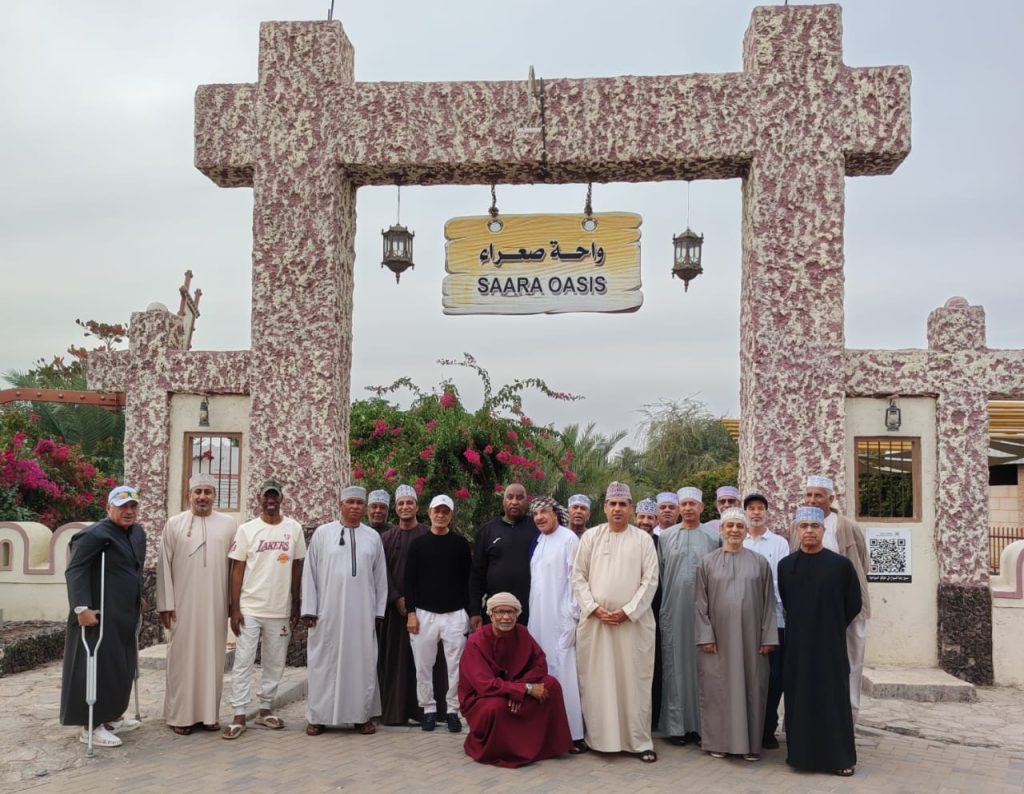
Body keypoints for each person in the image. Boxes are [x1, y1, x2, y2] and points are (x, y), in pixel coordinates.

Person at [572, 482, 659, 762]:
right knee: (597, 681)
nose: (618, 509)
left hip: (633, 625)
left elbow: (650, 580)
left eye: (623, 504)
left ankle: (639, 742)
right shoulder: (591, 537)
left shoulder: (643, 540)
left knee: (634, 682)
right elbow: (578, 576)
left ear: (631, 509)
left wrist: (628, 611)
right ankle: (598, 739)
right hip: (596, 624)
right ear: (605, 508)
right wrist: (594, 608)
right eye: (613, 504)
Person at [60, 485, 146, 748]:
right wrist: (81, 608)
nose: (128, 511)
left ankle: (112, 715)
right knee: (97, 667)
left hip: (124, 612)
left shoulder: (137, 533)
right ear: (108, 507)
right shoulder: (93, 535)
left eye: (132, 506)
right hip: (99, 613)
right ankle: (91, 725)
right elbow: (75, 571)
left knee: (121, 666)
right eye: (122, 507)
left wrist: (138, 595)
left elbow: (134, 568)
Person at [778, 506, 862, 777]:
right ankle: (801, 756)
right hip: (798, 646)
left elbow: (853, 603)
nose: (809, 531)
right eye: (804, 526)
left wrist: (831, 625)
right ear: (797, 530)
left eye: (815, 526)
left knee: (833, 699)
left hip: (830, 645)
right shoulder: (786, 566)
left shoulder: (841, 566)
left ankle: (839, 758)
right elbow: (787, 602)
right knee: (800, 696)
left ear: (823, 530)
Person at [301, 485, 388, 736]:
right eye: (350, 502)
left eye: (359, 503)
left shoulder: (372, 537)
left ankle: (360, 716)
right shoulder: (322, 534)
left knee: (361, 664)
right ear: (340, 505)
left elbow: (380, 578)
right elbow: (310, 573)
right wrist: (309, 609)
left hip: (361, 615)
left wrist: (378, 612)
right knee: (322, 663)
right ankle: (318, 717)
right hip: (327, 614)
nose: (355, 507)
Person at [222, 478, 306, 739]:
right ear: (259, 499)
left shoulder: (294, 528)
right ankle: (239, 713)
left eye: (275, 496)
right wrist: (234, 608)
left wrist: (295, 603)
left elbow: (296, 568)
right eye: (266, 496)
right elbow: (237, 570)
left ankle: (265, 709)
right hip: (250, 608)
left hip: (280, 609)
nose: (271, 500)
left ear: (281, 499)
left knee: (275, 661)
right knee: (243, 661)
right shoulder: (247, 530)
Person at [156, 473, 237, 735]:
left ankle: (208, 715)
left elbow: (235, 568)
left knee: (212, 659)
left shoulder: (229, 525)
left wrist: (233, 606)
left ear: (215, 495)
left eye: (208, 492)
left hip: (215, 605)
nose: (203, 497)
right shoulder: (174, 524)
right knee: (181, 659)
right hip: (181, 605)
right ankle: (180, 717)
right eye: (198, 492)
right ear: (189, 495)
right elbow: (163, 567)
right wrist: (166, 604)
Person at [695, 508, 777, 761]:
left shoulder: (759, 563)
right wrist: (706, 635)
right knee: (717, 688)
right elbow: (699, 603)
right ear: (721, 529)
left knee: (752, 687)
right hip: (717, 640)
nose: (734, 530)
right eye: (729, 525)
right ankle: (718, 742)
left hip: (751, 640)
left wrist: (768, 637)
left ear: (745, 530)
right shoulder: (707, 562)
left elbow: (769, 603)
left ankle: (751, 745)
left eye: (739, 526)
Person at [459, 593, 573, 767]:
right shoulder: (476, 642)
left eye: (510, 612)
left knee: (551, 685)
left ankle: (546, 746)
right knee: (495, 707)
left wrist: (519, 689)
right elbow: (484, 685)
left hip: (512, 688)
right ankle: (500, 750)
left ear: (517, 614)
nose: (506, 617)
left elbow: (540, 664)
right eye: (500, 612)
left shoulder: (522, 632)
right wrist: (525, 689)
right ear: (491, 614)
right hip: (483, 696)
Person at [795, 474, 870, 723]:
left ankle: (848, 719)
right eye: (808, 495)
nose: (812, 500)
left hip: (847, 611)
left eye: (818, 495)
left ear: (831, 498)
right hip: (810, 612)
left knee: (850, 663)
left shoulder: (846, 526)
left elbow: (862, 564)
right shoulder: (798, 526)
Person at [378, 484, 448, 725]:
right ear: (396, 509)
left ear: (417, 507)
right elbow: (382, 574)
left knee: (427, 661)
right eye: (401, 503)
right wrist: (397, 598)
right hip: (394, 610)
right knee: (396, 661)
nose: (405, 507)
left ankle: (427, 712)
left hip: (426, 610)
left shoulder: (430, 534)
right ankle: (395, 713)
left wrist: (416, 604)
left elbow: (438, 572)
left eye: (409, 503)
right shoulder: (386, 539)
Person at [405, 494, 473, 733]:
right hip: (424, 614)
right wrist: (411, 613)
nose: (441, 515)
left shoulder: (460, 544)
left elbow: (469, 580)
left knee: (457, 666)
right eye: (437, 511)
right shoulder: (418, 545)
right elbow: (409, 581)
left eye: (445, 511)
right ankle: (428, 710)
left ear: (451, 515)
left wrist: (470, 612)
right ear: (430, 513)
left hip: (455, 614)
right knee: (423, 665)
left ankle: (453, 711)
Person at [658, 485, 718, 746]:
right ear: (679, 508)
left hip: (705, 612)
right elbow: (661, 575)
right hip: (673, 610)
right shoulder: (666, 537)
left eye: (693, 504)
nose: (688, 508)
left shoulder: (713, 537)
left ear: (702, 507)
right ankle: (677, 728)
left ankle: (704, 728)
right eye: (684, 504)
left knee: (703, 668)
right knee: (675, 667)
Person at [526, 497, 586, 753]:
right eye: (535, 514)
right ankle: (546, 733)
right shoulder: (539, 541)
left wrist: (572, 615)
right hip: (539, 619)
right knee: (541, 670)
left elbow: (576, 579)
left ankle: (572, 735)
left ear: (555, 514)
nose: (539, 517)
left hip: (561, 620)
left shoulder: (569, 539)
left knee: (564, 674)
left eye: (544, 512)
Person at [742, 491, 789, 749]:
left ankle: (768, 727)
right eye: (751, 508)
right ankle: (746, 727)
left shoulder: (779, 543)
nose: (756, 512)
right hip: (743, 621)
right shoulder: (739, 539)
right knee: (746, 674)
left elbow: (781, 581)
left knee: (774, 675)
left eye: (760, 508)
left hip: (775, 617)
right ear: (745, 513)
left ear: (767, 512)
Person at [469, 483, 539, 628]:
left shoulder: (536, 529)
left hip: (531, 608)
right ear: (503, 500)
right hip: (496, 608)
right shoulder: (487, 531)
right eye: (510, 497)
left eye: (519, 498)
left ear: (526, 501)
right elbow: (477, 573)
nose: (514, 502)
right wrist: (475, 610)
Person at [634, 496, 663, 729]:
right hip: (630, 613)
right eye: (642, 517)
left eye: (650, 517)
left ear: (656, 521)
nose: (645, 521)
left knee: (654, 665)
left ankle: (652, 720)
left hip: (656, 610)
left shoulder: (661, 543)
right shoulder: (628, 540)